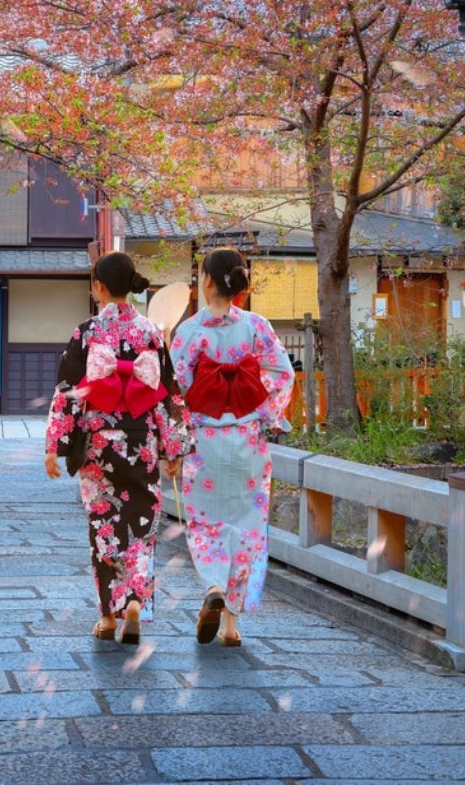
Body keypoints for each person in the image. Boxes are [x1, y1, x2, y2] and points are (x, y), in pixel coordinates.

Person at [44, 252, 192, 645]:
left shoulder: (87, 332)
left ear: (99, 287)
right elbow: (167, 394)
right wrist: (172, 447)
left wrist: (55, 445)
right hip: (140, 440)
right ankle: (135, 602)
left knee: (104, 524)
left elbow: (68, 393)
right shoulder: (150, 333)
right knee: (141, 525)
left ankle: (109, 616)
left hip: (98, 443)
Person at [171, 248, 294, 646]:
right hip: (248, 445)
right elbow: (281, 374)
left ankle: (212, 586)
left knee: (206, 526)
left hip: (204, 443)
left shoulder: (189, 332)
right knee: (248, 529)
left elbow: (175, 394)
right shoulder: (257, 326)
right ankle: (230, 626)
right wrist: (265, 416)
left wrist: (172, 447)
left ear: (206, 281)